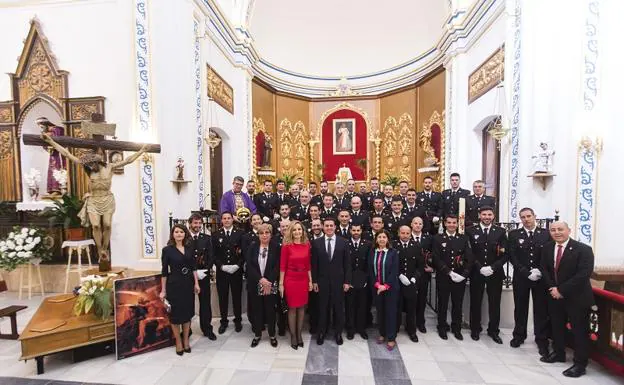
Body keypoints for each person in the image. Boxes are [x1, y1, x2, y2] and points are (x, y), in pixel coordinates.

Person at [540, 221, 595, 378]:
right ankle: (558, 353)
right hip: (554, 296)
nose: (557, 232)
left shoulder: (583, 249)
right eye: (553, 230)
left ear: (569, 230)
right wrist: (553, 288)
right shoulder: (547, 248)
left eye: (560, 229)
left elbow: (583, 274)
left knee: (579, 331)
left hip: (576, 297)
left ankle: (580, 364)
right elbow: (544, 269)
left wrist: (561, 290)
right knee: (557, 327)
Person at [508, 207, 552, 354]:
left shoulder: (546, 234)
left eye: (528, 216)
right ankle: (519, 335)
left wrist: (540, 270)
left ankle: (541, 339)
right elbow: (512, 256)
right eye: (523, 217)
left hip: (540, 278)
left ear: (534, 216)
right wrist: (526, 272)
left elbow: (549, 255)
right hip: (521, 277)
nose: (526, 219)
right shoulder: (514, 234)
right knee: (520, 307)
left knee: (541, 309)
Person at [466, 207, 507, 343]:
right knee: (475, 301)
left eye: (489, 214)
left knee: (494, 303)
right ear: (479, 215)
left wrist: (493, 267)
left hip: (495, 273)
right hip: (477, 272)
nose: (487, 217)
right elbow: (469, 252)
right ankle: (475, 329)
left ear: (493, 216)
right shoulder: (471, 231)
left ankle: (493, 331)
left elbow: (506, 253)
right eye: (484, 214)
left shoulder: (500, 232)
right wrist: (479, 267)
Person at [160, 224, 200, 355]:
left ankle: (186, 340)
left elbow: (194, 267)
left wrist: (196, 283)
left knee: (187, 314)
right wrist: (163, 290)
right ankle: (178, 341)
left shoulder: (189, 248)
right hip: (174, 285)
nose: (178, 234)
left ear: (185, 234)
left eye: (181, 232)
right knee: (176, 315)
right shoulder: (167, 250)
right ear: (172, 234)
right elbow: (164, 271)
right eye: (176, 232)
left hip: (188, 284)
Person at [311, 218, 351, 345]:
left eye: (331, 226)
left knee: (338, 308)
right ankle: (322, 332)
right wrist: (315, 281)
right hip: (322, 282)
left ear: (335, 227)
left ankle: (338, 333)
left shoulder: (343, 242)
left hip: (339, 282)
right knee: (322, 308)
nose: (329, 228)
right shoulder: (316, 243)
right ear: (323, 227)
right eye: (326, 225)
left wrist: (347, 281)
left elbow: (347, 264)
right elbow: (314, 264)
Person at [433, 215, 473, 340]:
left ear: (457, 224)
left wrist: (464, 275)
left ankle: (457, 328)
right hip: (444, 276)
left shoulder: (463, 238)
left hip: (459, 277)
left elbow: (469, 258)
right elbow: (436, 258)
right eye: (449, 222)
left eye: (454, 223)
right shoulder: (437, 238)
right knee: (443, 303)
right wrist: (448, 272)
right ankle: (442, 327)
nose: (451, 225)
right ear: (444, 223)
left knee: (457, 304)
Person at [279, 221, 312, 350]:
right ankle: (293, 336)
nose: (297, 232)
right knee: (292, 308)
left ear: (303, 231)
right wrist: (281, 284)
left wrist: (310, 281)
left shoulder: (307, 244)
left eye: (299, 229)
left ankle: (299, 334)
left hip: (303, 279)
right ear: (291, 232)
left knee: (302, 308)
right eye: (294, 230)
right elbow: (282, 266)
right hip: (291, 279)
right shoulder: (286, 246)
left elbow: (309, 265)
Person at [246, 224, 279, 348]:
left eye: (267, 232)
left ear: (271, 234)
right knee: (257, 310)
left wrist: (268, 281)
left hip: (270, 283)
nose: (264, 235)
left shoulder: (276, 247)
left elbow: (277, 266)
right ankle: (257, 334)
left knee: (270, 310)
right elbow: (249, 265)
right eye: (261, 233)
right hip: (256, 283)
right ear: (258, 235)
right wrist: (261, 279)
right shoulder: (252, 247)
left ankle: (272, 335)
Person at [212, 212, 244, 334]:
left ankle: (238, 320)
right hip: (223, 272)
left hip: (236, 271)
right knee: (223, 297)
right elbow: (213, 254)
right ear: (222, 220)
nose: (226, 220)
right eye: (224, 218)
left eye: (229, 218)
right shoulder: (216, 235)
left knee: (237, 297)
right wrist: (221, 266)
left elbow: (244, 252)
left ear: (232, 220)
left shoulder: (240, 233)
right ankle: (224, 321)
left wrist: (238, 265)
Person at [187, 213, 216, 340]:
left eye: (199, 223)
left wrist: (205, 270)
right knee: (187, 303)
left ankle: (207, 329)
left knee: (205, 304)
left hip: (203, 276)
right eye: (195, 223)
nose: (197, 226)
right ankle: (187, 331)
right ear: (190, 224)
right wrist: (192, 272)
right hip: (187, 277)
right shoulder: (184, 238)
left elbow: (211, 256)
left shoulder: (207, 238)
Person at [369, 230, 399, 351]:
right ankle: (382, 333)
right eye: (379, 237)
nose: (382, 239)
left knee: (391, 312)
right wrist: (377, 284)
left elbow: (394, 271)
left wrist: (385, 286)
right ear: (376, 239)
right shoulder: (372, 252)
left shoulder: (393, 253)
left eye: (384, 237)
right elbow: (370, 270)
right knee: (380, 312)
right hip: (377, 288)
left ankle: (391, 337)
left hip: (390, 288)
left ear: (388, 240)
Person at [396, 225, 424, 342]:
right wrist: (399, 275)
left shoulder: (416, 246)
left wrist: (414, 278)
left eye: (407, 233)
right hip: (397, 282)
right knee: (397, 307)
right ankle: (395, 328)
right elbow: (390, 264)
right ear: (398, 233)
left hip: (411, 282)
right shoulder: (393, 245)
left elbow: (420, 266)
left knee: (411, 308)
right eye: (403, 233)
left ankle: (411, 330)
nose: (405, 235)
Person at [345, 224, 371, 340]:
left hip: (363, 280)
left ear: (361, 231)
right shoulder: (345, 243)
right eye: (354, 230)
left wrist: (366, 280)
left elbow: (369, 264)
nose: (356, 232)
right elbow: (344, 264)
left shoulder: (367, 244)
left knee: (362, 306)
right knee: (350, 306)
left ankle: (361, 328)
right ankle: (350, 329)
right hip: (349, 280)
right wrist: (346, 280)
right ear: (350, 231)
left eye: (358, 230)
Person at [411, 216, 433, 333]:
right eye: (415, 223)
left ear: (423, 225)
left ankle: (421, 322)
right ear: (411, 224)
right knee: (411, 299)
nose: (418, 225)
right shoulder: (407, 236)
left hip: (424, 273)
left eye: (420, 223)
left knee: (422, 298)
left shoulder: (428, 238)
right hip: (410, 273)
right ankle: (411, 322)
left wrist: (432, 267)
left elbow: (434, 254)